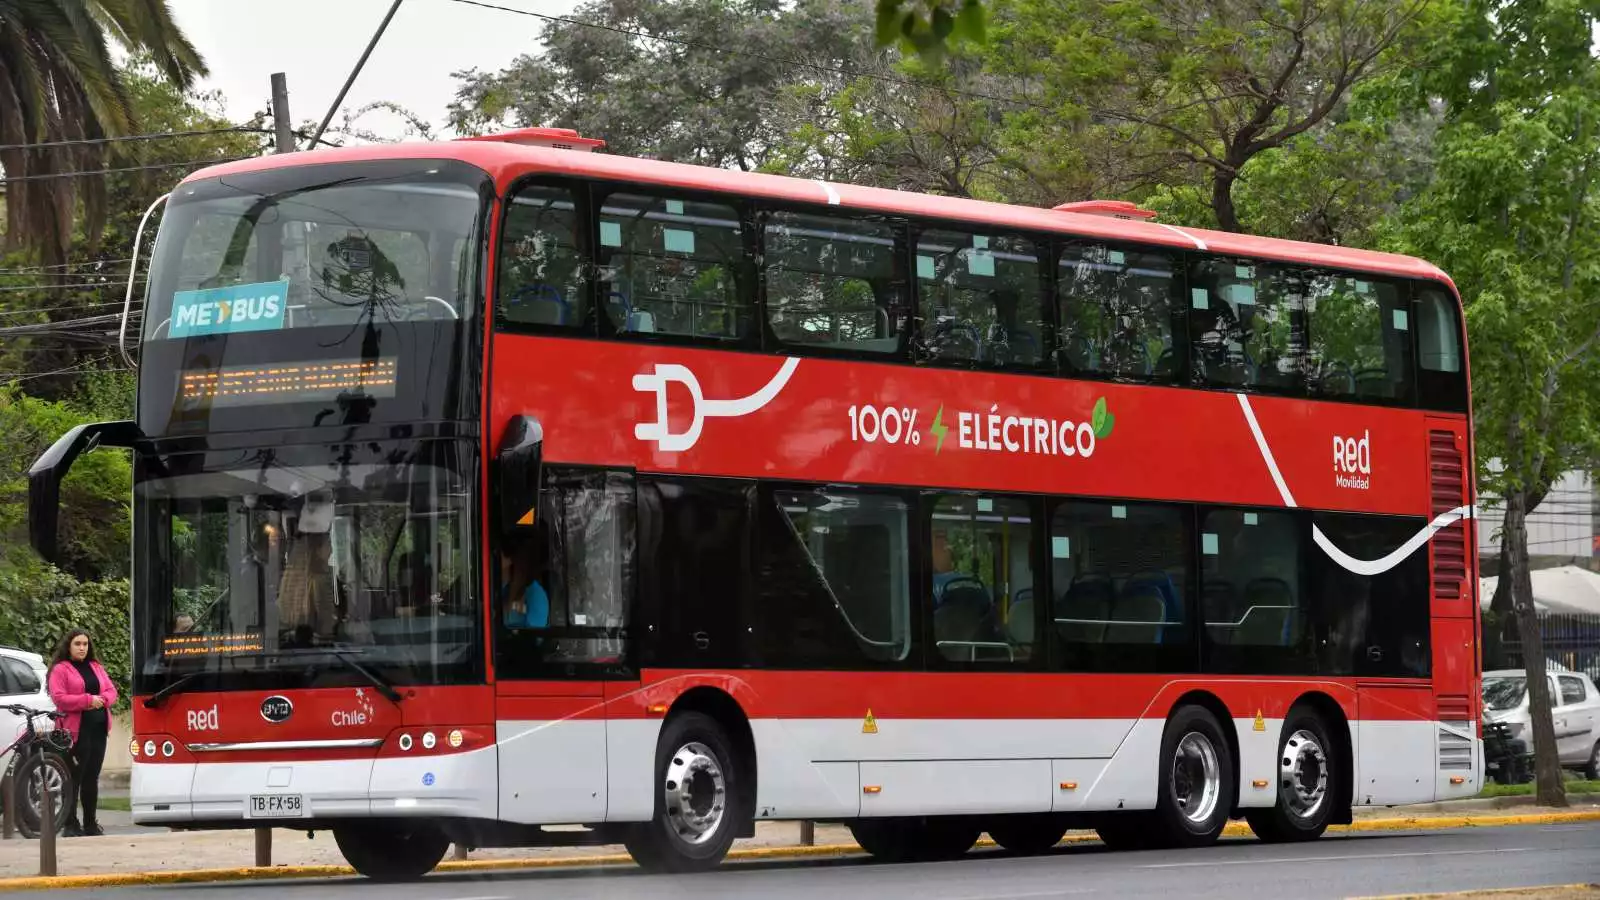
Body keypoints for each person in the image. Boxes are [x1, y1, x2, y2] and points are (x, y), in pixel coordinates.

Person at [46, 629, 118, 837]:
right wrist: (87, 701)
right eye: (77, 644)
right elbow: (59, 698)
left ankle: (90, 824)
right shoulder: (61, 669)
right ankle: (71, 824)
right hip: (75, 732)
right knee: (73, 778)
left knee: (91, 778)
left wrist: (102, 700)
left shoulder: (95, 666)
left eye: (85, 644)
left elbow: (112, 691)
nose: (82, 648)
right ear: (68, 646)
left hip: (98, 729)